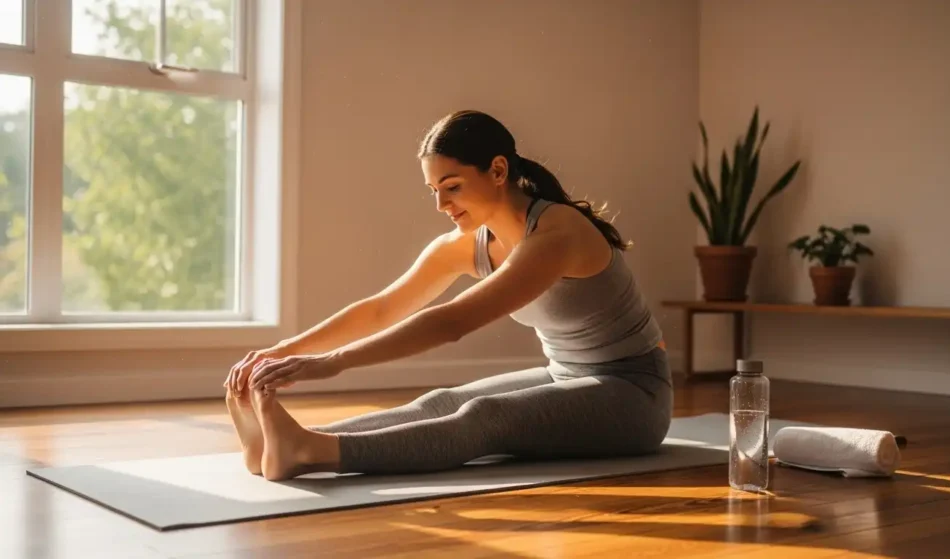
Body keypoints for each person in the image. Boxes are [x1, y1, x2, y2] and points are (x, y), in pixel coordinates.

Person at [223, 110, 673, 481]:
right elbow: (381, 309)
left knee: (485, 416)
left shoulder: (557, 234)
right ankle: (295, 442)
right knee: (439, 402)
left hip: (634, 395)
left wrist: (330, 364)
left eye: (452, 187)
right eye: (434, 191)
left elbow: (450, 323)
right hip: (565, 376)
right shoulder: (467, 245)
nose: (442, 204)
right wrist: (281, 352)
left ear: (498, 170)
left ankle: (310, 451)